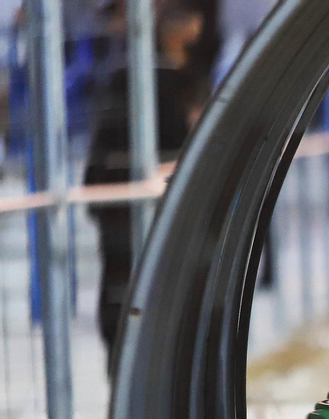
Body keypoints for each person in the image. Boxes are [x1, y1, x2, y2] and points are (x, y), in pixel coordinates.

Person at [85, 3, 205, 372]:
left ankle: (124, 383)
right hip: (146, 211)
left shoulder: (129, 79)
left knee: (125, 299)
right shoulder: (171, 85)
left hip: (123, 210)